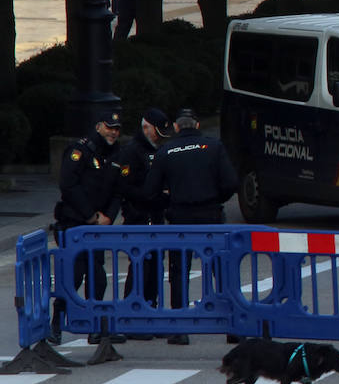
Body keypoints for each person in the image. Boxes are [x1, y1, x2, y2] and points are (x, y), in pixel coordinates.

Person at [145, 107, 239, 345]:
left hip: (181, 217)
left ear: (176, 127)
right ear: (197, 125)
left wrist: (170, 199)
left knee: (179, 271)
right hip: (211, 216)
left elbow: (149, 191)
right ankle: (233, 327)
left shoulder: (166, 151)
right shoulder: (214, 147)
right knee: (221, 269)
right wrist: (216, 198)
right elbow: (231, 182)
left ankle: (180, 328)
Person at [51, 109, 125, 344]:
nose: (113, 132)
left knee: (97, 277)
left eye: (116, 128)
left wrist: (108, 217)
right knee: (72, 276)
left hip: (97, 227)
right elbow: (68, 185)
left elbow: (117, 190)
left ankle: (95, 326)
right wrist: (90, 216)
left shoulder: (115, 154)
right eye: (109, 127)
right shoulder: (80, 150)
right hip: (74, 223)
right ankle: (56, 323)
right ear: (98, 127)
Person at [114, 108, 174, 318]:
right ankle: (133, 311)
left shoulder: (157, 150)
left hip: (155, 216)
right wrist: (153, 196)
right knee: (140, 265)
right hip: (139, 216)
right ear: (146, 127)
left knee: (155, 265)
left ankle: (150, 307)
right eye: (157, 132)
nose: (159, 138)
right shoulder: (132, 151)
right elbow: (125, 186)